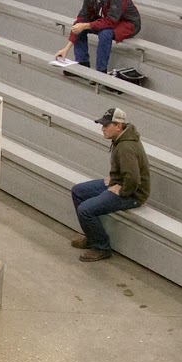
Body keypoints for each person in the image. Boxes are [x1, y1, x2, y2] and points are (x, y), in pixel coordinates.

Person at [67, 106, 149, 262]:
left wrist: (122, 191)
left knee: (85, 210)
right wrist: (114, 177)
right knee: (78, 191)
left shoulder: (126, 147)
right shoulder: (121, 139)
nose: (102, 128)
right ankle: (92, 237)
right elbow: (125, 169)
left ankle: (101, 247)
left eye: (106, 125)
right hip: (121, 183)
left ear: (118, 126)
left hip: (133, 193)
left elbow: (133, 179)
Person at [54, 0, 141, 76]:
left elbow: (111, 21)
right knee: (79, 25)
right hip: (109, 19)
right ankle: (82, 63)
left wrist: (87, 25)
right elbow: (82, 18)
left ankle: (101, 72)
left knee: (105, 33)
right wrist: (67, 48)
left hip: (128, 23)